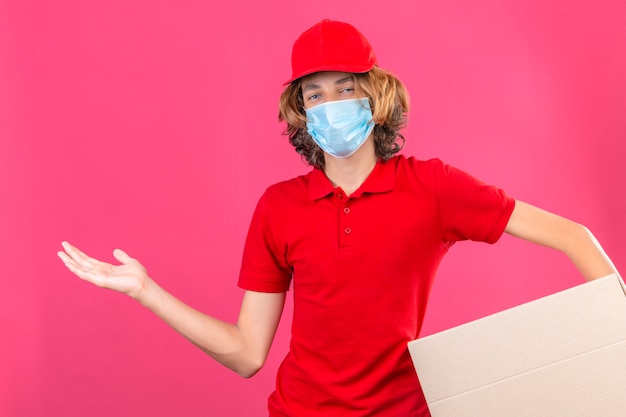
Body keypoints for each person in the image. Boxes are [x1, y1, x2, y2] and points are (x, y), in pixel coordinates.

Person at [58, 19, 620, 417]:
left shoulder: (433, 187)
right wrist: (148, 291)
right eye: (315, 94)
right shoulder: (278, 207)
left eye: (345, 88)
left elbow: (572, 236)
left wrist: (613, 342)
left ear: (375, 96)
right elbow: (248, 354)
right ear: (300, 110)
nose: (331, 105)